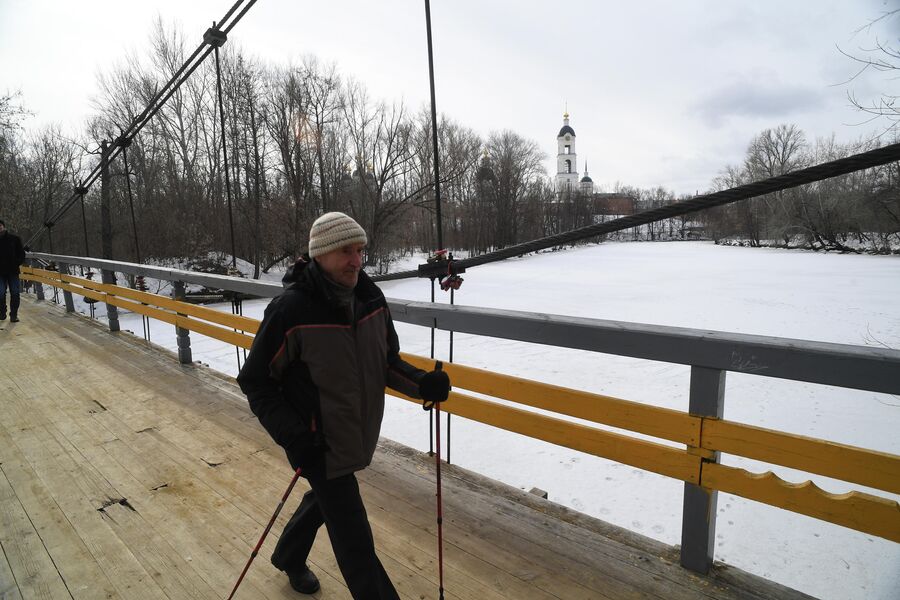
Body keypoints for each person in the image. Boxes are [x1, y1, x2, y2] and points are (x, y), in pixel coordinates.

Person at [237, 212, 451, 598]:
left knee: (325, 501)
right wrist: (294, 436)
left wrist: (423, 385)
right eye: (345, 252)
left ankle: (288, 555)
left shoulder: (370, 297)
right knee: (355, 542)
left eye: (360, 251)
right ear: (320, 255)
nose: (356, 261)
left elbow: (386, 362)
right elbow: (255, 381)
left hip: (357, 433)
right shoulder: (291, 311)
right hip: (316, 444)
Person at [0, 219, 26, 323]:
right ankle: (2, 313)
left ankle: (14, 315)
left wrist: (17, 262)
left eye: (0, 225)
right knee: (0, 292)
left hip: (13, 271)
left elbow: (22, 254)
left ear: (4, 226)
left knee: (15, 292)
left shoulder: (14, 239)